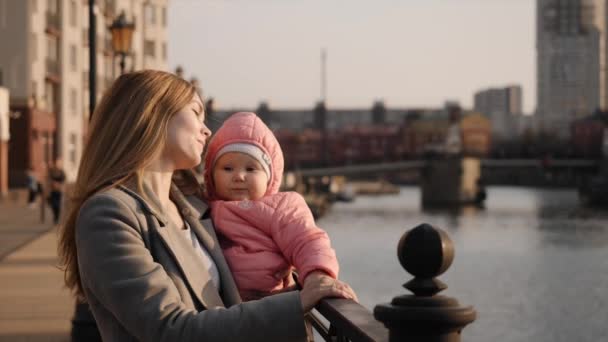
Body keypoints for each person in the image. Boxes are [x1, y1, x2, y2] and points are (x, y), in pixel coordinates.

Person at [57, 70, 356, 342]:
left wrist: (304, 277)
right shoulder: (108, 215)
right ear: (152, 115)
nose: (207, 130)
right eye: (196, 113)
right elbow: (170, 330)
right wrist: (296, 303)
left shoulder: (194, 208)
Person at [204, 112, 339, 301]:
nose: (239, 176)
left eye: (250, 169)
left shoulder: (281, 207)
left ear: (269, 177)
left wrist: (318, 273)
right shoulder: (202, 207)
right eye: (227, 168)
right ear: (211, 175)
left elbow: (307, 240)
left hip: (271, 303)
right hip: (223, 312)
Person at [48, 159, 66, 223]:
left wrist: (60, 185)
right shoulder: (52, 171)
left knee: (58, 204)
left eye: (59, 163)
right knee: (53, 204)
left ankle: (57, 217)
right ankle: (55, 215)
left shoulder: (61, 172)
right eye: (57, 163)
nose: (58, 164)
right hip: (53, 190)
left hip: (59, 190)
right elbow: (49, 179)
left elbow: (63, 180)